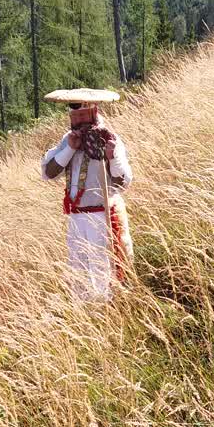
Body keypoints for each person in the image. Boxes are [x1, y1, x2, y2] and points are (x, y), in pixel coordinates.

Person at [41, 95, 134, 300]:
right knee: (79, 269)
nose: (78, 120)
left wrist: (112, 158)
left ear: (94, 112)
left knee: (104, 269)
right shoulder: (68, 139)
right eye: (75, 114)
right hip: (76, 217)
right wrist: (71, 148)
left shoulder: (109, 139)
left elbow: (123, 182)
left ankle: (110, 310)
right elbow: (48, 172)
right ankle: (85, 313)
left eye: (82, 113)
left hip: (102, 215)